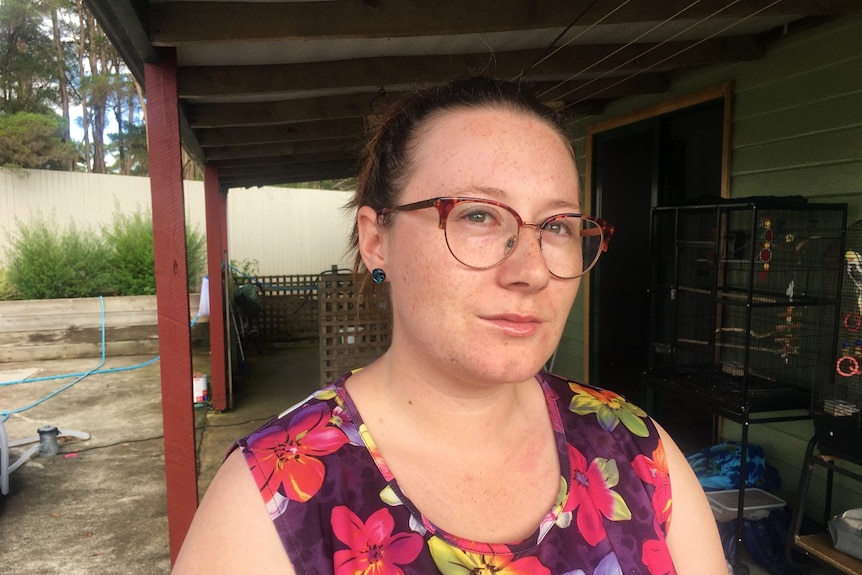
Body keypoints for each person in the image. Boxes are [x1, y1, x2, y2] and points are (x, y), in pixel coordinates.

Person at [173, 76, 727, 574]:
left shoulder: (634, 450)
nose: (531, 271)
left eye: (557, 225)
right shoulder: (274, 497)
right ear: (375, 240)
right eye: (478, 214)